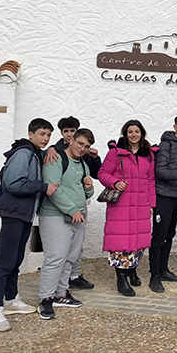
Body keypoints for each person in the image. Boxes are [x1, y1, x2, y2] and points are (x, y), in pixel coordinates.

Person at [0, 118, 59, 332]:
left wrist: (51, 149)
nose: (46, 138)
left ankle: (10, 299)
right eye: (42, 134)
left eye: (48, 135)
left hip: (23, 214)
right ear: (30, 134)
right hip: (14, 213)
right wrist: (44, 187)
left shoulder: (35, 153)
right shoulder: (24, 153)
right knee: (5, 261)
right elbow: (14, 183)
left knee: (16, 259)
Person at [37, 129, 96, 320]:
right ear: (71, 140)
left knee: (71, 257)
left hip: (79, 216)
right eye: (80, 143)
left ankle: (61, 293)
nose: (82, 148)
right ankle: (46, 298)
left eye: (86, 146)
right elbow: (52, 189)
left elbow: (85, 192)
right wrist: (72, 210)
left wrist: (89, 188)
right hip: (55, 215)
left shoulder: (84, 165)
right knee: (55, 258)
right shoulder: (56, 159)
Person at [98, 120, 157, 297]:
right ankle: (121, 277)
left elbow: (150, 181)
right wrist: (115, 182)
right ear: (125, 134)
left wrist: (151, 204)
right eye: (130, 132)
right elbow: (102, 173)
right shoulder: (115, 153)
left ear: (142, 133)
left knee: (138, 241)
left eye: (136, 131)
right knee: (121, 241)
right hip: (121, 205)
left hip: (141, 204)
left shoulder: (148, 154)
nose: (133, 135)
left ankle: (132, 269)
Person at [45, 116, 102, 290]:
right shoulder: (56, 153)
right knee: (58, 256)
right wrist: (49, 149)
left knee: (74, 252)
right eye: (66, 131)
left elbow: (92, 175)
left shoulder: (83, 155)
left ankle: (67, 285)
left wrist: (95, 160)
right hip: (60, 211)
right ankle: (50, 294)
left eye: (72, 131)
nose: (69, 134)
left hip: (79, 206)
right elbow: (53, 187)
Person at [149, 112, 177, 293]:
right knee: (159, 235)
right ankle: (154, 276)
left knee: (169, 235)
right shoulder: (165, 144)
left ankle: (163, 270)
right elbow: (159, 171)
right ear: (175, 125)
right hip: (163, 197)